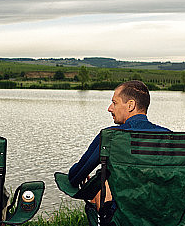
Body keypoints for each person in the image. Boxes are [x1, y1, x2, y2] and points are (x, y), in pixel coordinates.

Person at [67, 80, 170, 211]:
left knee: (100, 185)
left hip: (123, 218)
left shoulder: (110, 136)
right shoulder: (169, 137)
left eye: (114, 103)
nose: (109, 108)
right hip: (163, 215)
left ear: (130, 105)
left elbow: (75, 177)